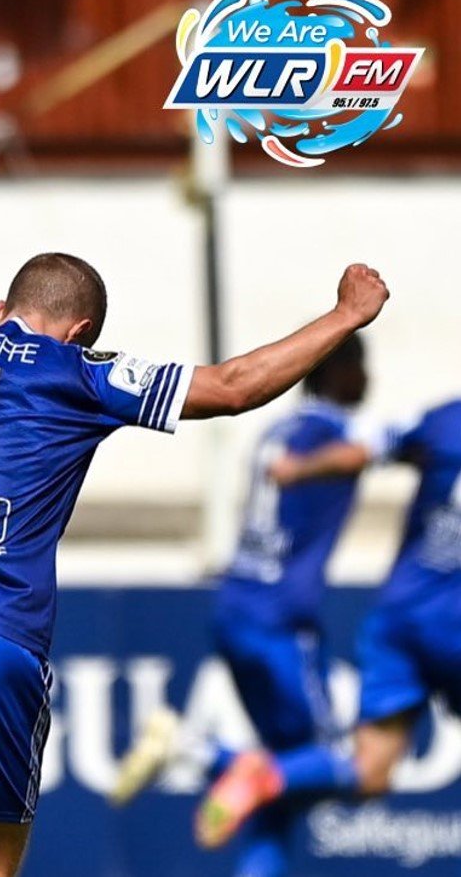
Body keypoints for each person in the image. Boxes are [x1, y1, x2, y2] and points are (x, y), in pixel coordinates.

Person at [0, 142, 389, 877]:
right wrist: (343, 314)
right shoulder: (85, 374)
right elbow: (234, 384)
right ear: (82, 330)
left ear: (0, 311)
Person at [110, 336, 378, 877]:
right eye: (360, 366)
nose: (369, 379)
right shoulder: (337, 436)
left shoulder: (275, 432)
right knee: (346, 764)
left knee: (279, 781)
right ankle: (196, 751)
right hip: (284, 619)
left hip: (237, 606)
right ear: (337, 372)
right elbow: (375, 451)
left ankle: (226, 781)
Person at [194, 397, 461, 850]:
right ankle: (229, 761)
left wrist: (301, 468)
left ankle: (256, 773)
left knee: (369, 773)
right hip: (452, 625)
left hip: (398, 618)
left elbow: (365, 450)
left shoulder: (446, 419)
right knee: (330, 755)